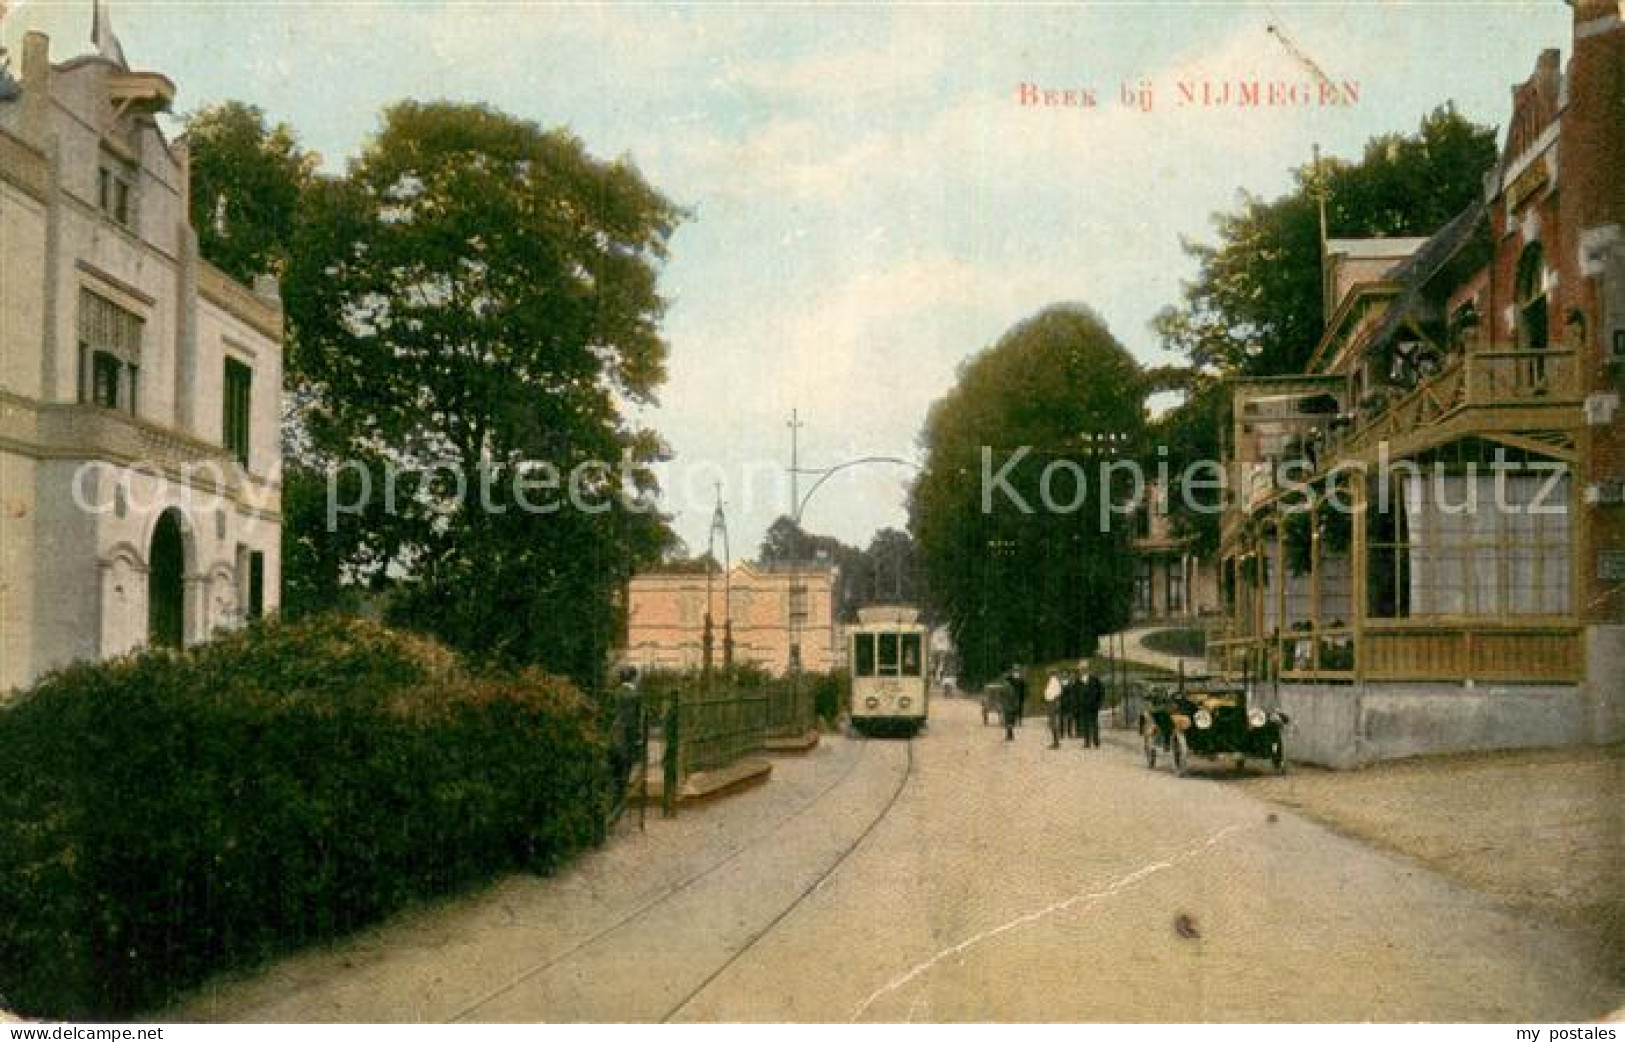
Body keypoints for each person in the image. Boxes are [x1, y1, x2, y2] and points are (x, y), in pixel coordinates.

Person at [1080, 663, 1105, 748]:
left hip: (1093, 705)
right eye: (1082, 669)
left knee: (1094, 723)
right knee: (1086, 724)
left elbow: (1101, 691)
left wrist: (1099, 702)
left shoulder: (1095, 679)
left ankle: (1096, 741)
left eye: (1084, 668)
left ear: (1087, 669)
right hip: (1084, 705)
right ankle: (1087, 742)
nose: (1083, 670)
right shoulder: (1079, 680)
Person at [1043, 671, 1064, 748]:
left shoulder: (1054, 681)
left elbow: (1056, 693)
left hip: (1052, 702)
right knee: (1052, 722)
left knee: (1053, 722)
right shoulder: (1053, 681)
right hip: (1051, 702)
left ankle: (1056, 742)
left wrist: (1053, 701)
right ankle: (1055, 741)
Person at [1060, 669, 1082, 740]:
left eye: (1066, 673)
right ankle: (1062, 733)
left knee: (1070, 718)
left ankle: (1069, 733)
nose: (1065, 675)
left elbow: (1073, 692)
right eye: (1063, 673)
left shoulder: (1070, 682)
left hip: (1070, 702)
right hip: (1062, 702)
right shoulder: (1060, 682)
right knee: (1062, 718)